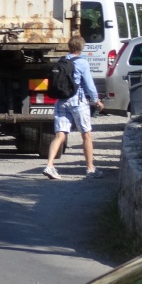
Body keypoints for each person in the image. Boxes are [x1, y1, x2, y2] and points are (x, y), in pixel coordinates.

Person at [43, 34, 104, 179]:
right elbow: (89, 84)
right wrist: (96, 100)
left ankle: (50, 165)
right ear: (81, 48)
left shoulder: (61, 60)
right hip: (78, 102)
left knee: (59, 135)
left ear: (69, 47)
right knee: (86, 135)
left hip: (61, 101)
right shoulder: (82, 63)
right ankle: (90, 169)